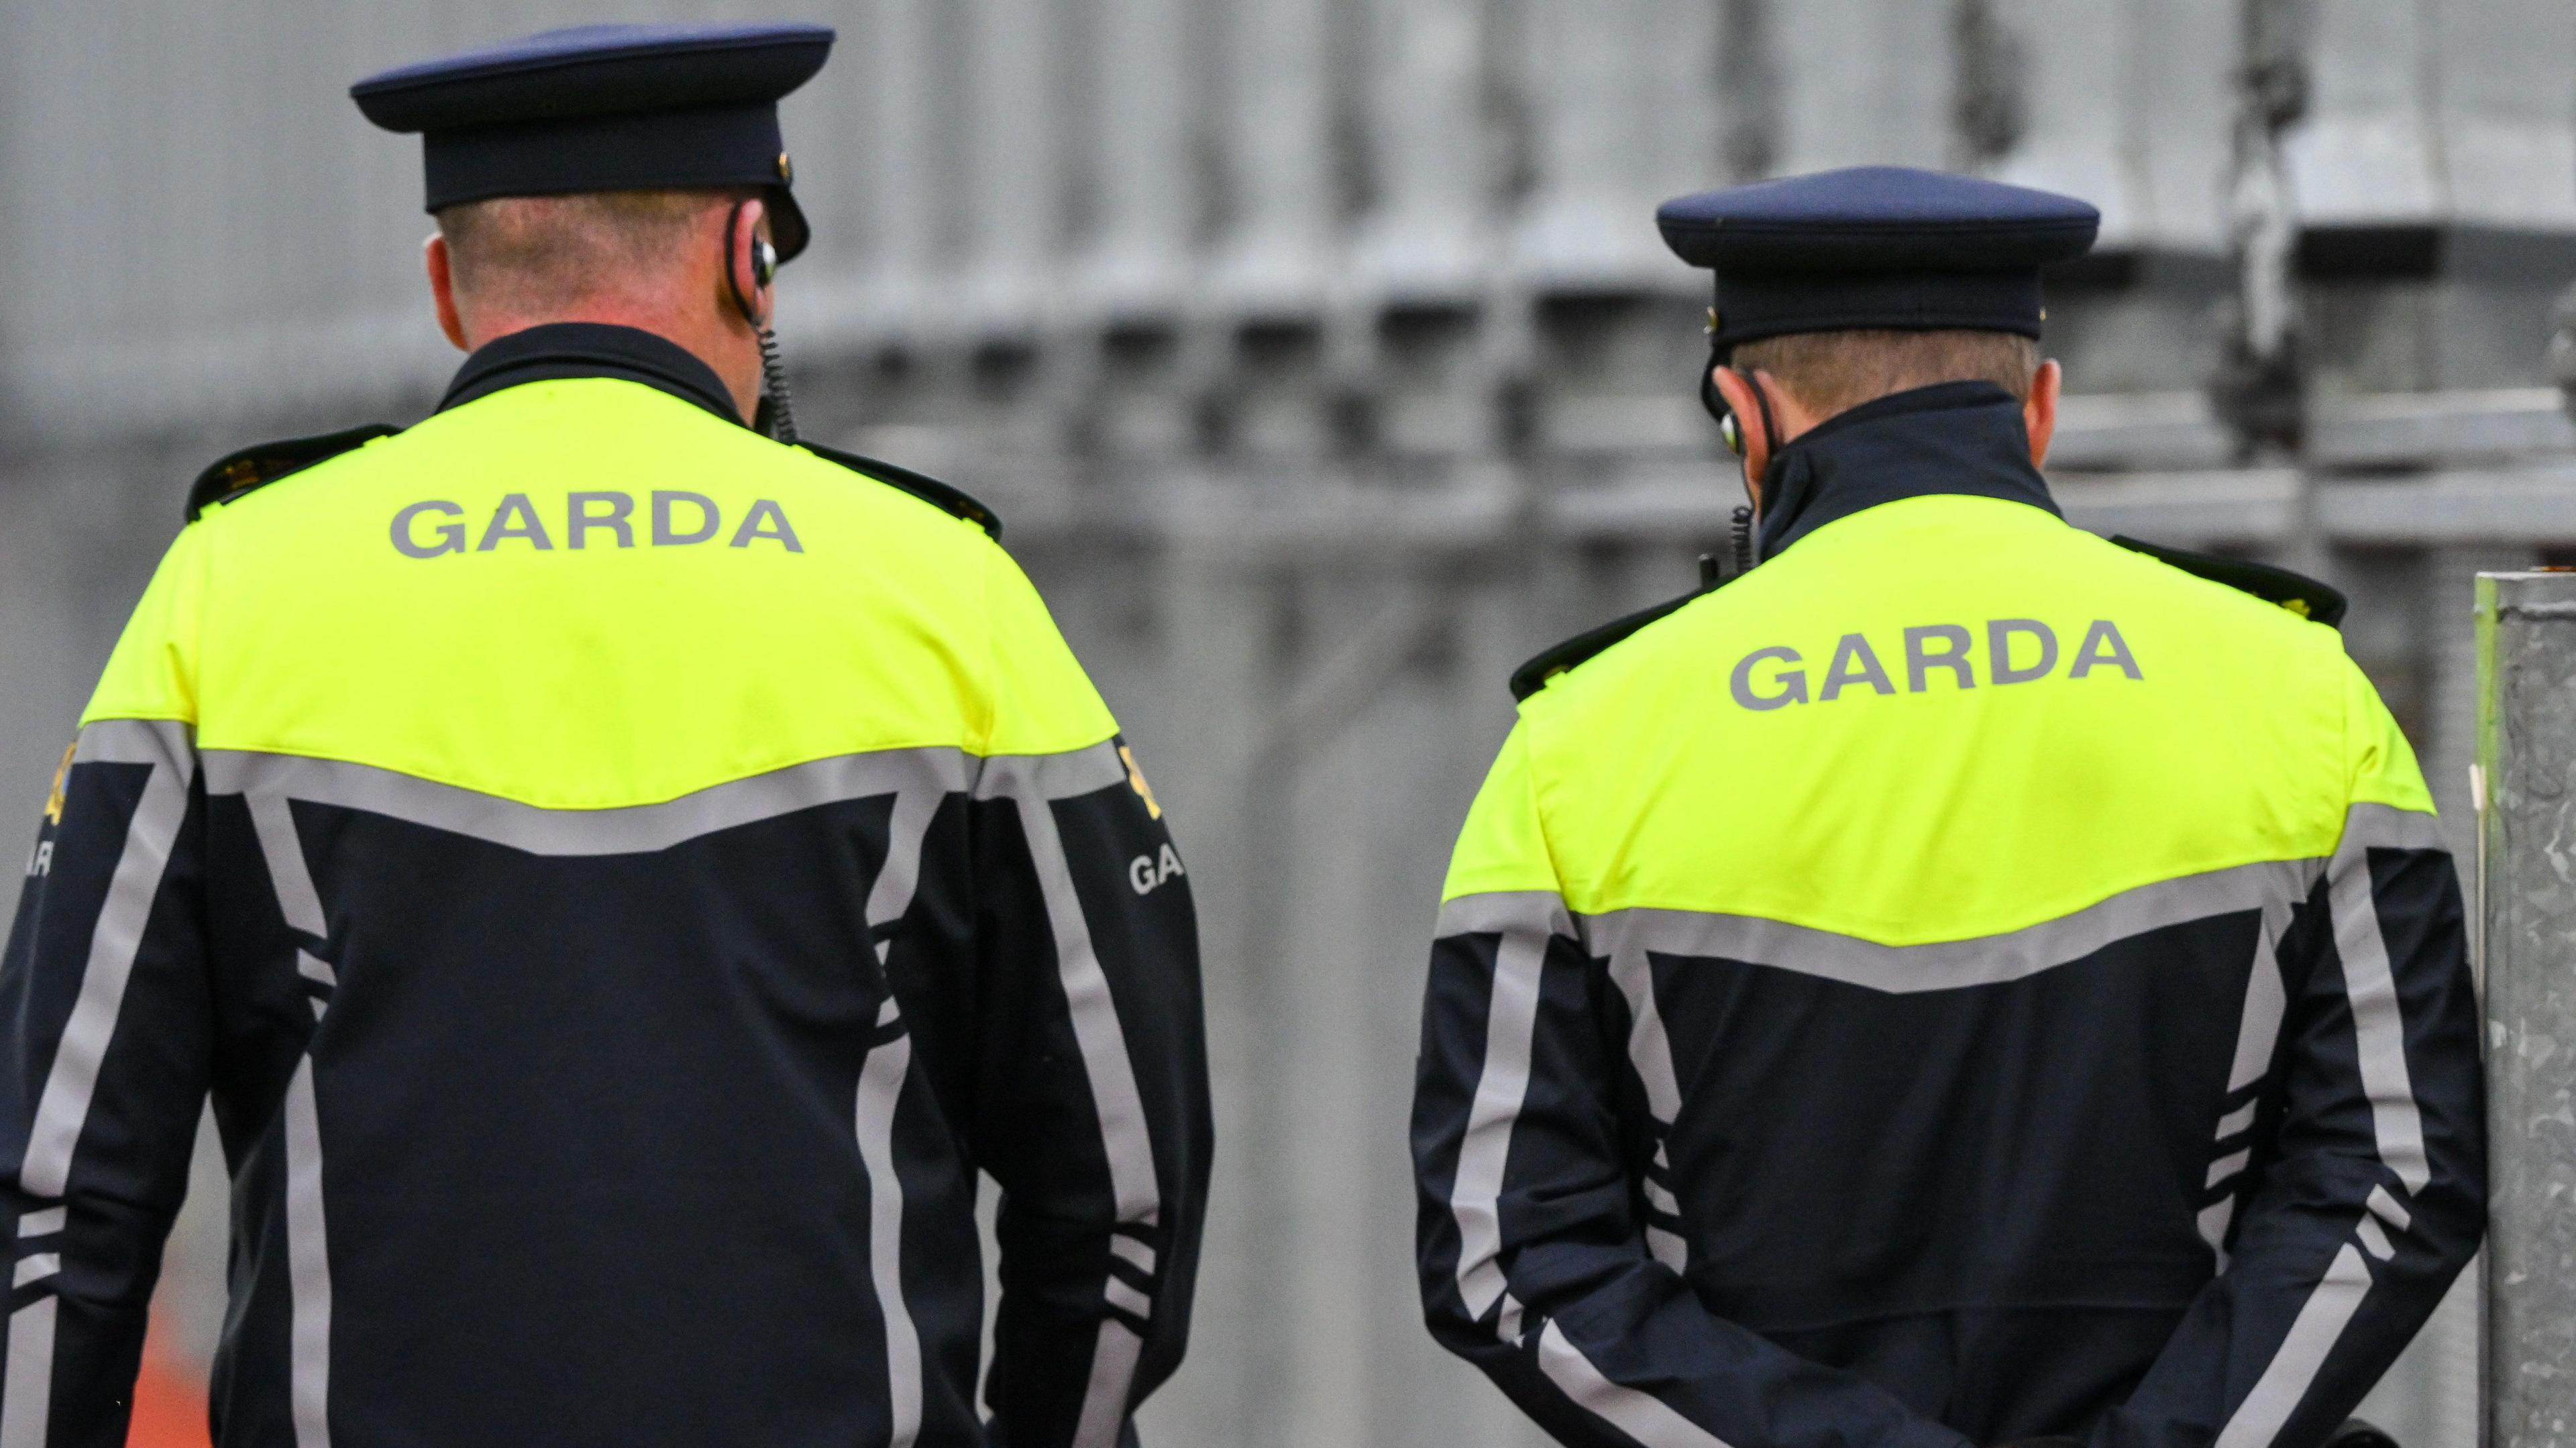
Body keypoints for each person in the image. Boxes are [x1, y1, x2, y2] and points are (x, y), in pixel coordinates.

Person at [0, 22, 1209, 1447]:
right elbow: (1120, 1187)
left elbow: (61, 1187)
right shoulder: (944, 591)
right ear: (749, 256)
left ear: (449, 287)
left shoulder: (233, 586)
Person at [1410, 166, 2483, 1448]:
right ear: (2038, 408)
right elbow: (2400, 1173)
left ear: (1746, 419)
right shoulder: (2298, 692)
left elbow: (1507, 1256)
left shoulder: (1578, 747)